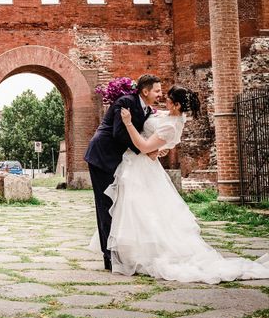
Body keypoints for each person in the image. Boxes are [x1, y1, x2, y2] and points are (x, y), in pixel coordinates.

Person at [107, 85, 269, 283]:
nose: (163, 100)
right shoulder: (175, 116)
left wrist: (129, 123)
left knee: (142, 209)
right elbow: (164, 139)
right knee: (142, 209)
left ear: (176, 105)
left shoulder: (171, 125)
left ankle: (145, 254)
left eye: (167, 99)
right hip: (141, 165)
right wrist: (162, 147)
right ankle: (135, 251)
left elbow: (143, 146)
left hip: (142, 167)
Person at [85, 74, 162, 270]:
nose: (160, 94)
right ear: (145, 91)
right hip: (102, 157)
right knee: (105, 206)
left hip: (118, 160)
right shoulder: (125, 102)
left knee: (119, 205)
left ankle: (120, 251)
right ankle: (109, 256)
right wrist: (144, 150)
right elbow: (118, 132)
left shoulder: (146, 110)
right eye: (157, 91)